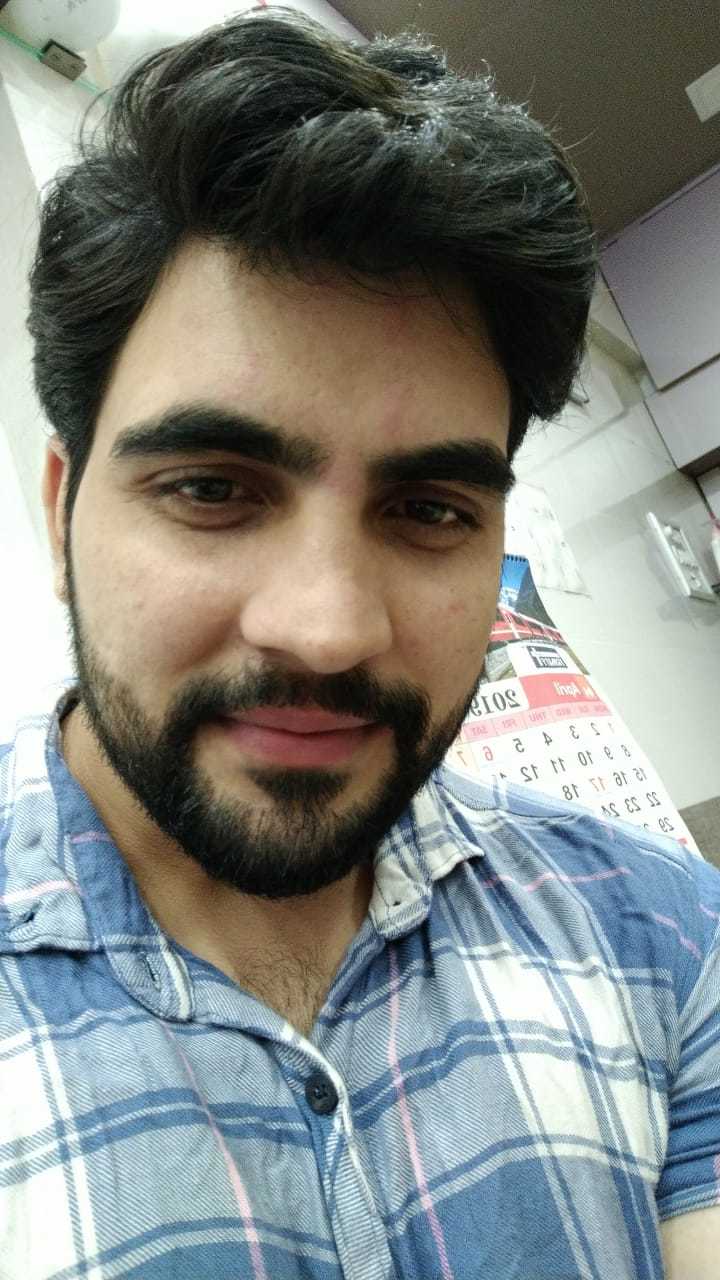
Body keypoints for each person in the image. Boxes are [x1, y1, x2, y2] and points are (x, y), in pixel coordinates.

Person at [1, 7, 718, 1278]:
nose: (329, 628)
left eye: (429, 510)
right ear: (63, 513)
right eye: (211, 489)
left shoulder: (670, 936)